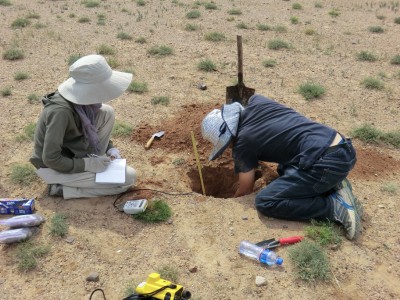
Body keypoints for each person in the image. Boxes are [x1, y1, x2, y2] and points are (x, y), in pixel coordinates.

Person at [201, 94, 363, 240]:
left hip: (325, 164)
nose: (229, 148)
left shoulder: (243, 143)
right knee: (284, 168)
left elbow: (245, 189)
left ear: (229, 136)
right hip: (342, 148)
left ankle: (333, 208)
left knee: (266, 201)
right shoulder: (258, 102)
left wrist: (232, 201)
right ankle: (333, 187)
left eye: (226, 145)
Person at [30, 54, 137, 199]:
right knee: (128, 178)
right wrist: (87, 165)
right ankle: (61, 189)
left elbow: (89, 127)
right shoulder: (60, 113)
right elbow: (51, 159)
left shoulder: (82, 105)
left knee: (106, 112)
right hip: (55, 167)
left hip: (74, 150)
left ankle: (97, 161)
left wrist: (109, 148)